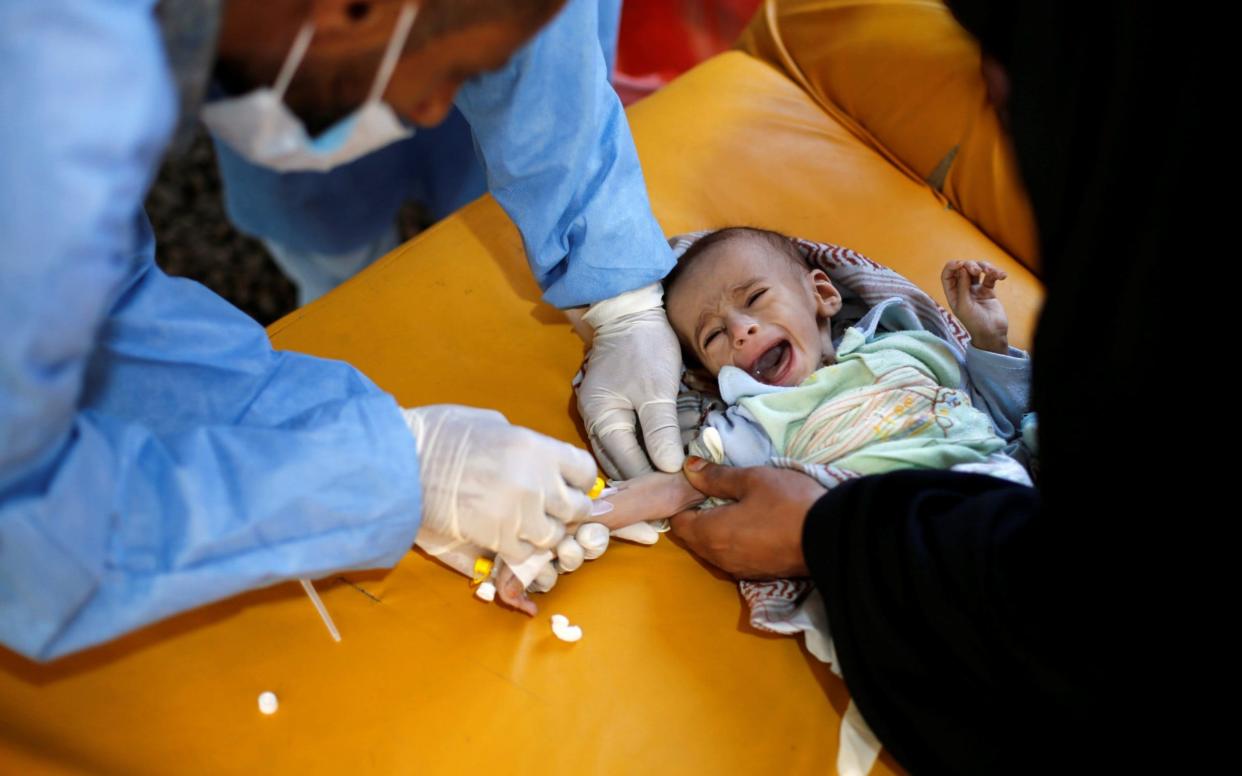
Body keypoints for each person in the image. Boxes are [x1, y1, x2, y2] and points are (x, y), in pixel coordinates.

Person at [0, 0, 681, 662]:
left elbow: (102, 315)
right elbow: (26, 532)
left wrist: (613, 284)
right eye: (452, 73)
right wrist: (381, 477)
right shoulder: (51, 94)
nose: (434, 115)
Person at [667, 3, 1194, 772]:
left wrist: (984, 345)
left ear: (822, 293)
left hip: (983, 491)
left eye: (755, 302)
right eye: (715, 337)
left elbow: (1001, 417)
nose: (741, 333)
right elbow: (703, 476)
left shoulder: (903, 339)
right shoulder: (755, 409)